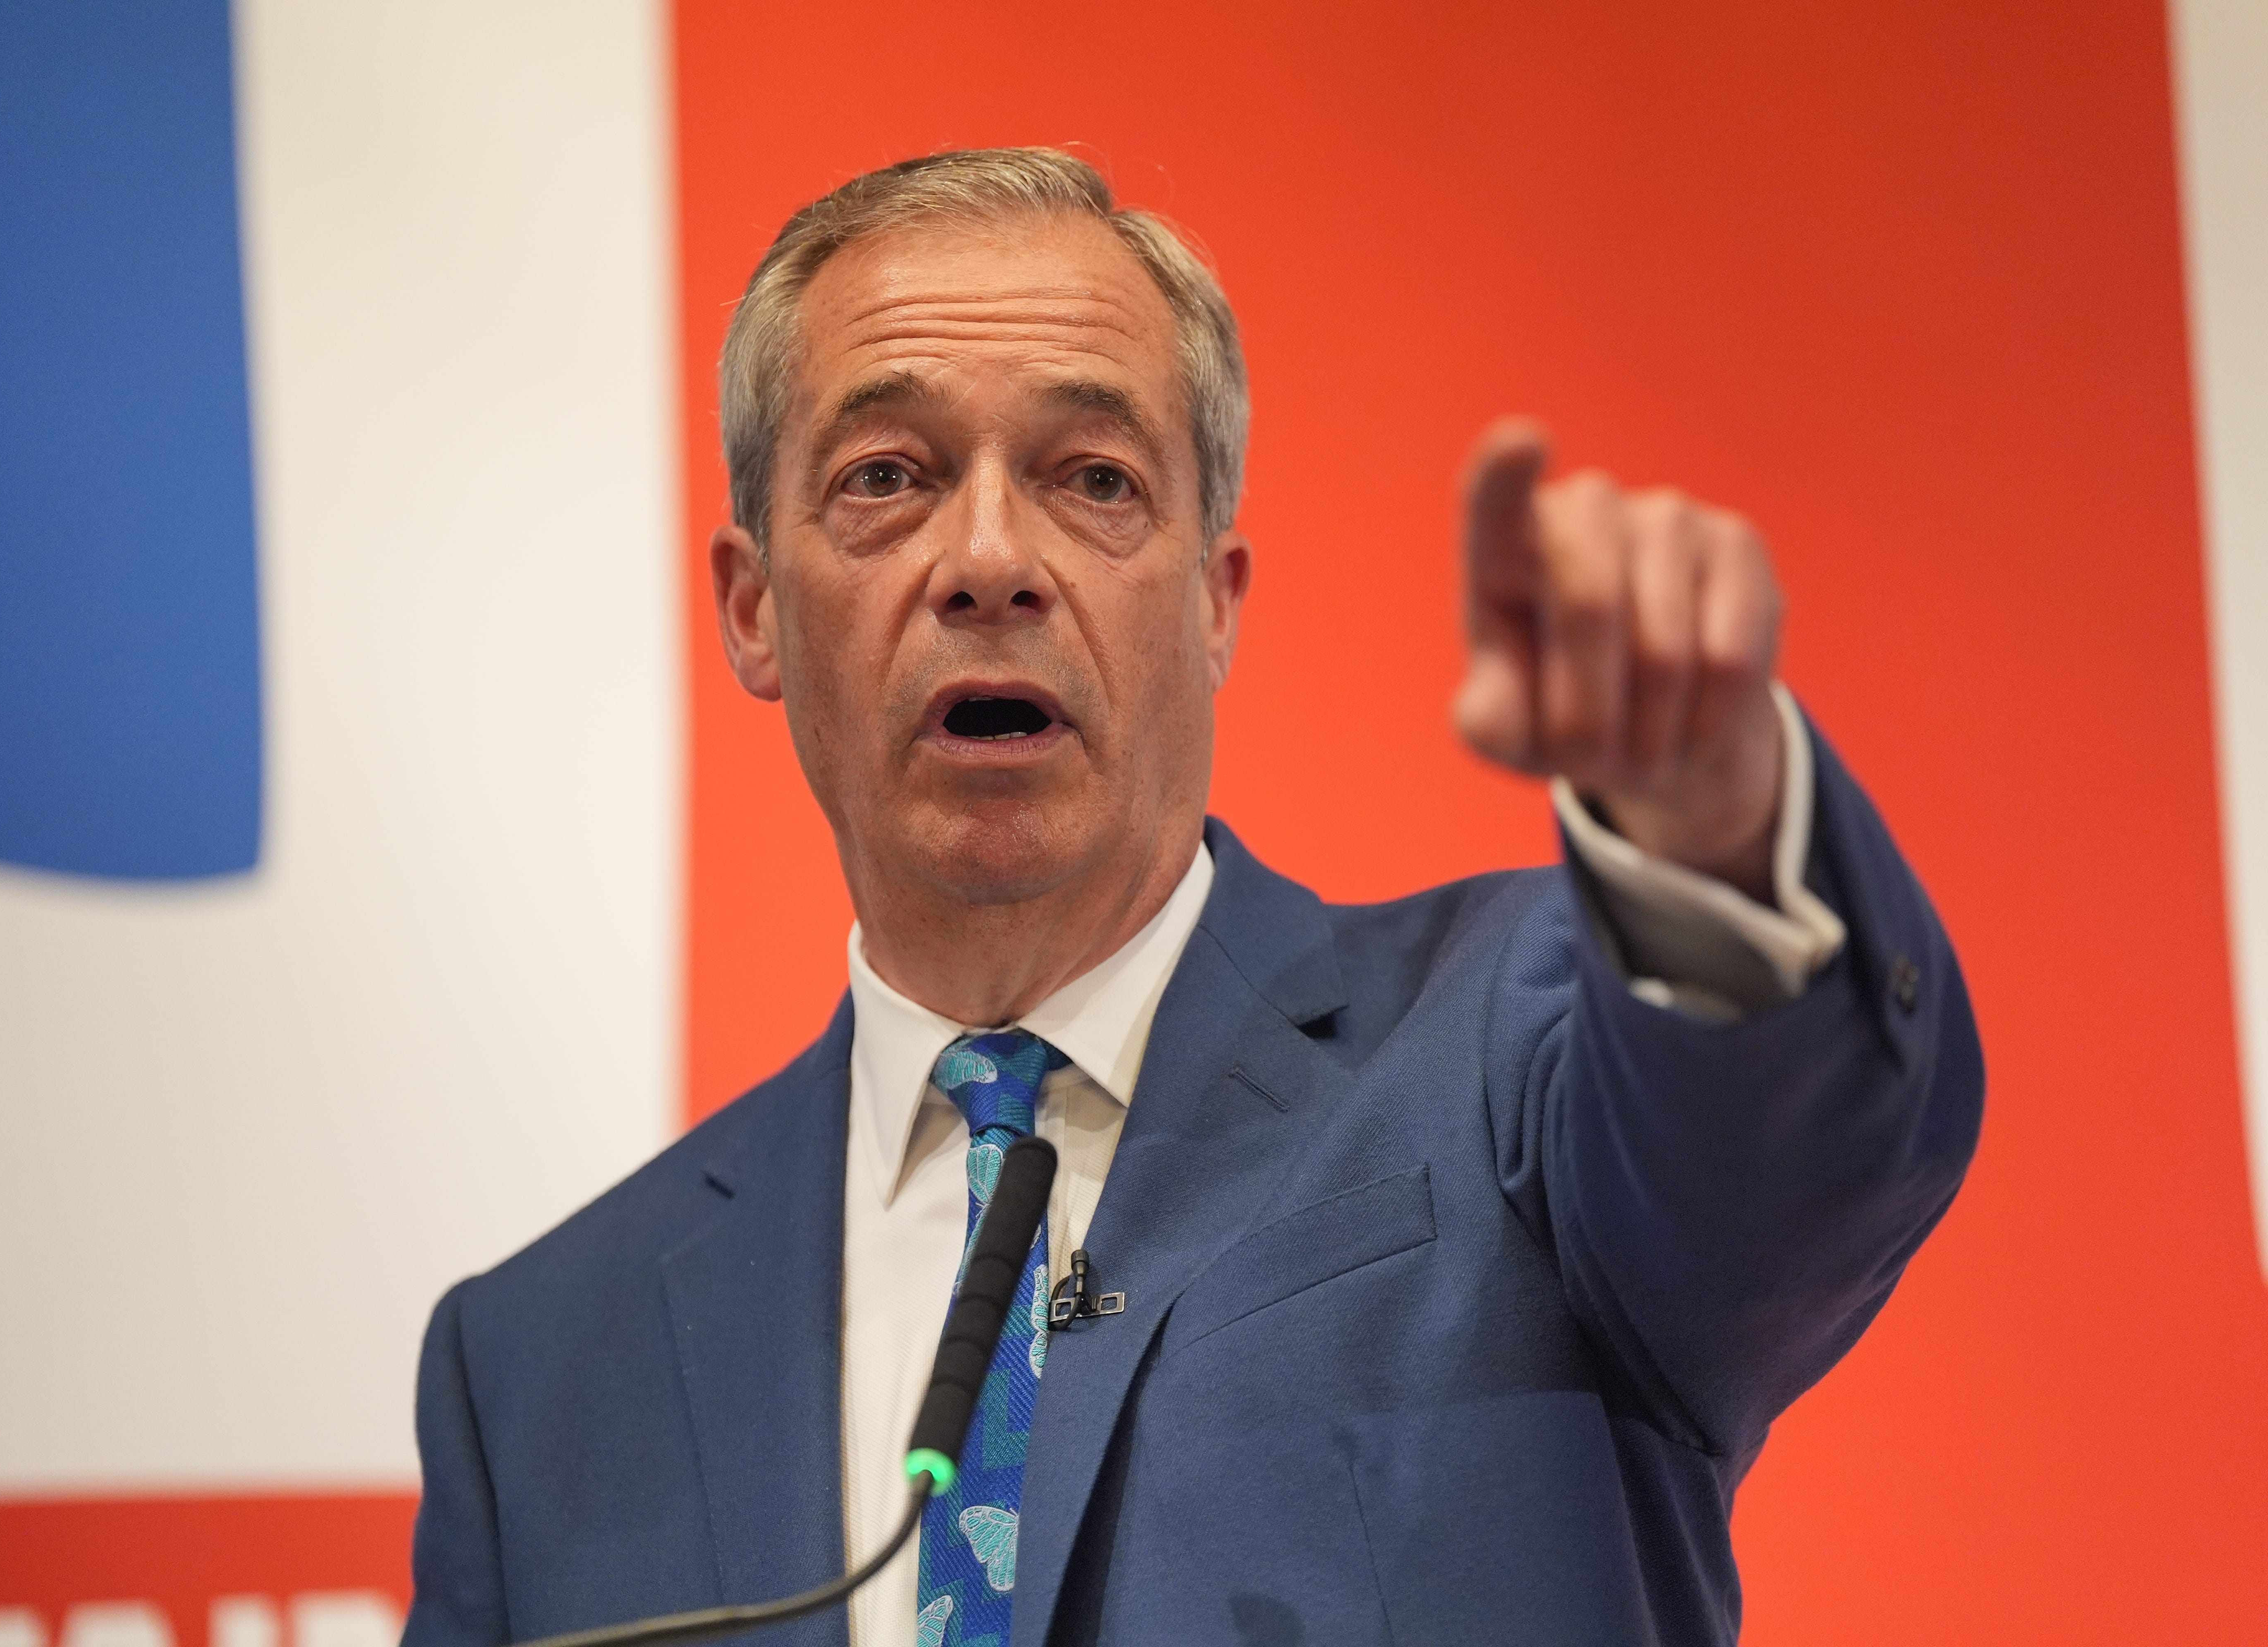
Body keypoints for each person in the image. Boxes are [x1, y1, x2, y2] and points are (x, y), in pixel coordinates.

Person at [402, 149, 1981, 1647]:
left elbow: (1790, 1151)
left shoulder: (1518, 1052)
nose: (991, 559)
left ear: (1214, 604)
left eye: (1093, 478)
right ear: (755, 610)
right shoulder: (540, 1366)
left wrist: (1715, 825)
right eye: (889, 477)